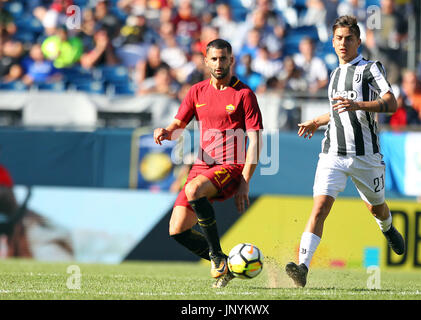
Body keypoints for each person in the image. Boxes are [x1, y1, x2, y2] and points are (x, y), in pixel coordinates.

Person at [285, 16, 405, 288]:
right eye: (338, 38)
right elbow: (340, 110)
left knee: (376, 209)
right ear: (332, 41)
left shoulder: (371, 68)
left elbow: (392, 103)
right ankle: (303, 267)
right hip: (333, 153)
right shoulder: (335, 74)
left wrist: (360, 105)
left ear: (358, 42)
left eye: (348, 38)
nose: (343, 43)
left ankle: (387, 228)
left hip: (366, 156)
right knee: (320, 207)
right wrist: (317, 121)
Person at [153, 39, 263, 288]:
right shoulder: (196, 91)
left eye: (224, 58)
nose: (219, 63)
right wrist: (166, 131)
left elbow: (255, 142)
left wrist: (245, 181)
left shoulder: (244, 94)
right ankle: (227, 265)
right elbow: (178, 124)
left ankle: (216, 258)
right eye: (214, 58)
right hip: (203, 166)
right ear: (206, 61)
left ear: (231, 60)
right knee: (177, 230)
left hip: (231, 166)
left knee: (192, 190)